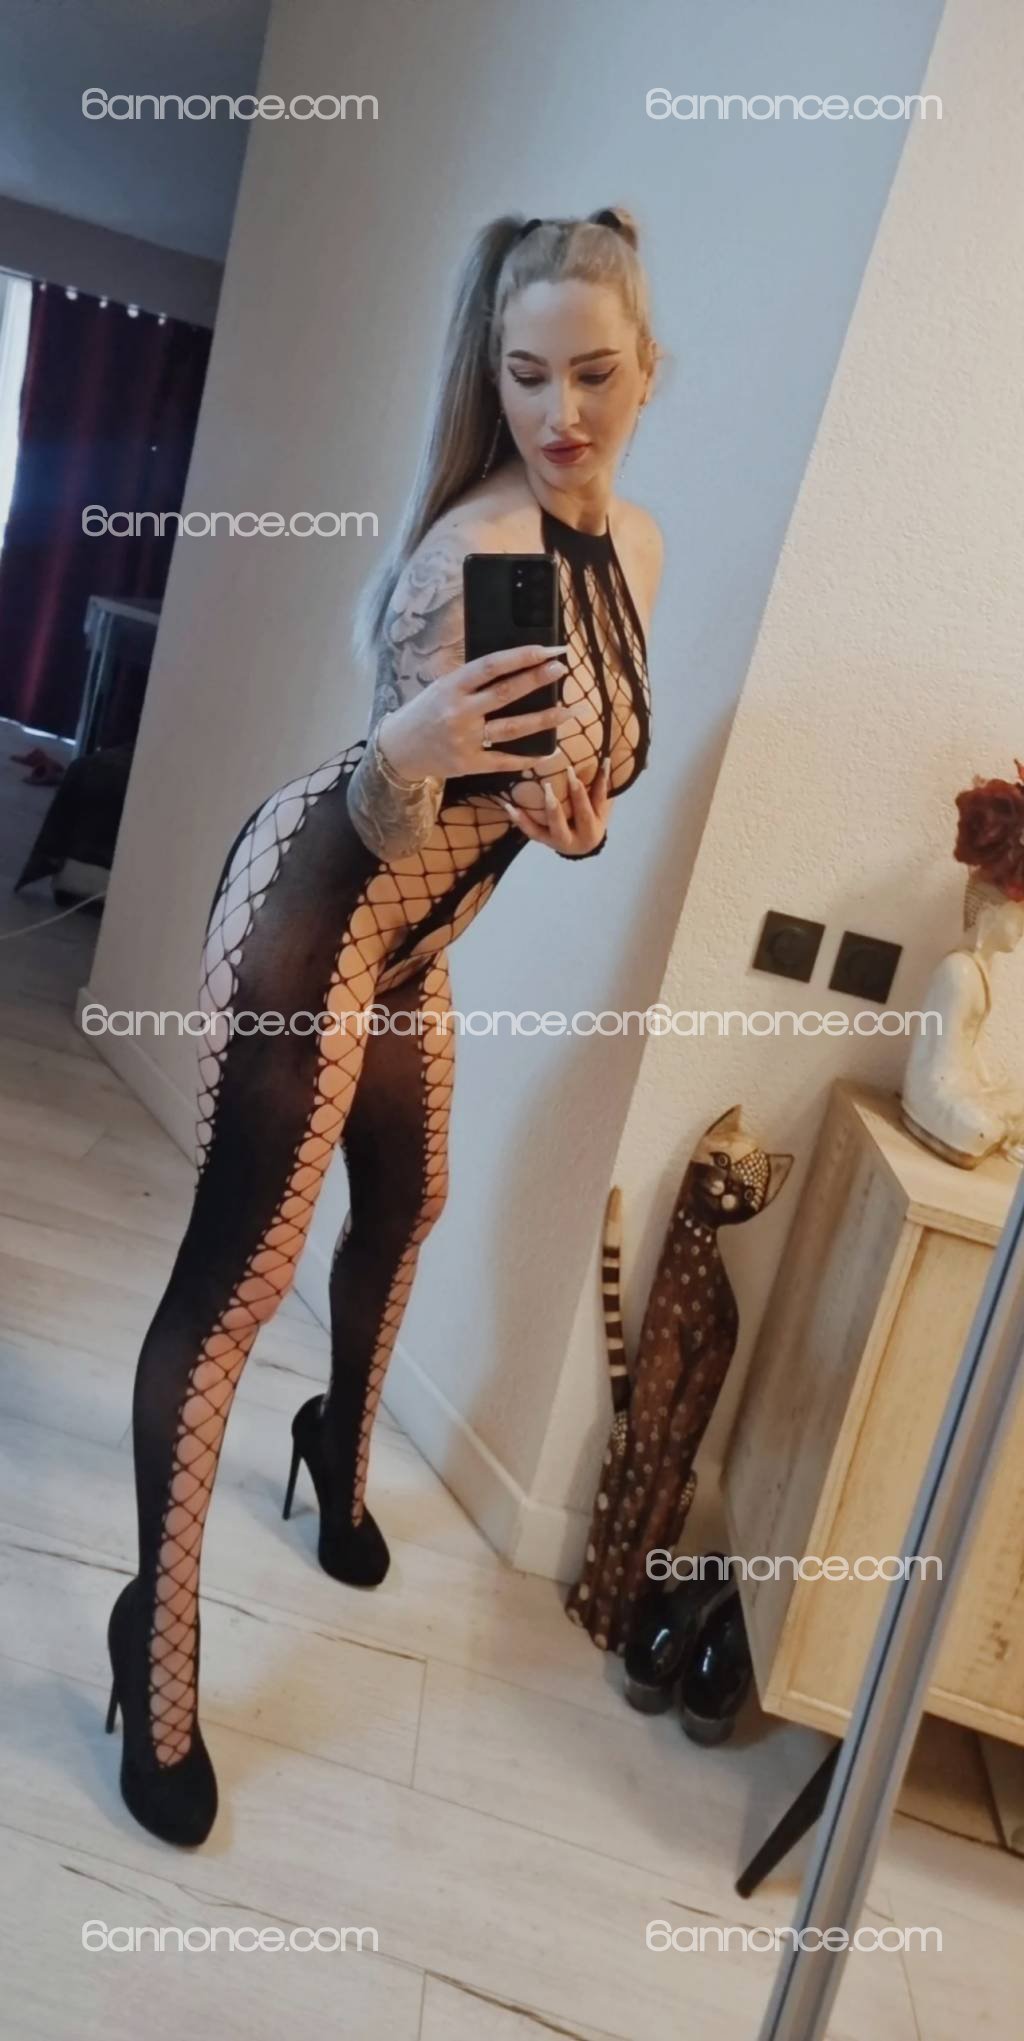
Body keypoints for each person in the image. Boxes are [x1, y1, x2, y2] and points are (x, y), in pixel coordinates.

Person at [105, 205, 665, 1846]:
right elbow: (383, 811)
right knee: (238, 1284)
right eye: (526, 375)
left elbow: (559, 787)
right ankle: (154, 1640)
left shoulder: (634, 546)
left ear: (647, 366)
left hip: (413, 942)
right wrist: (407, 748)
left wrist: (579, 829)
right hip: (314, 917)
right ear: (494, 374)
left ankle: (332, 1448)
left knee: (409, 1201)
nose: (561, 413)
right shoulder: (468, 561)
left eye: (593, 373)